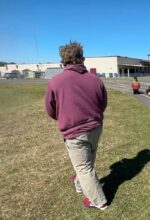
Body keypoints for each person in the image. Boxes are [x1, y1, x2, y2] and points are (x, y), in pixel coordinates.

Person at [44, 41, 108, 210]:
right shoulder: (95, 80)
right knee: (87, 163)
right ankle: (79, 182)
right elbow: (103, 103)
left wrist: (64, 117)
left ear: (63, 61)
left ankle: (98, 201)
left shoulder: (55, 81)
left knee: (84, 167)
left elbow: (50, 110)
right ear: (82, 58)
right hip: (95, 128)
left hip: (74, 132)